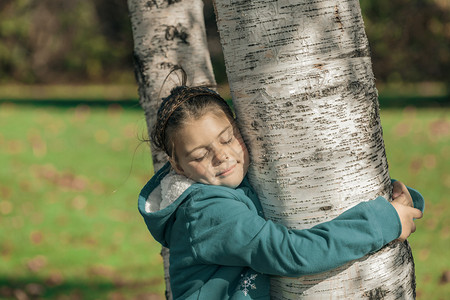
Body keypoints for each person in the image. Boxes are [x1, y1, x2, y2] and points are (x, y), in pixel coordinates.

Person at [138, 77, 424, 299]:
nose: (221, 156)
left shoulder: (231, 183)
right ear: (178, 167)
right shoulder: (207, 211)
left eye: (227, 138)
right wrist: (384, 220)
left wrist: (392, 199)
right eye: (200, 155)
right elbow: (291, 253)